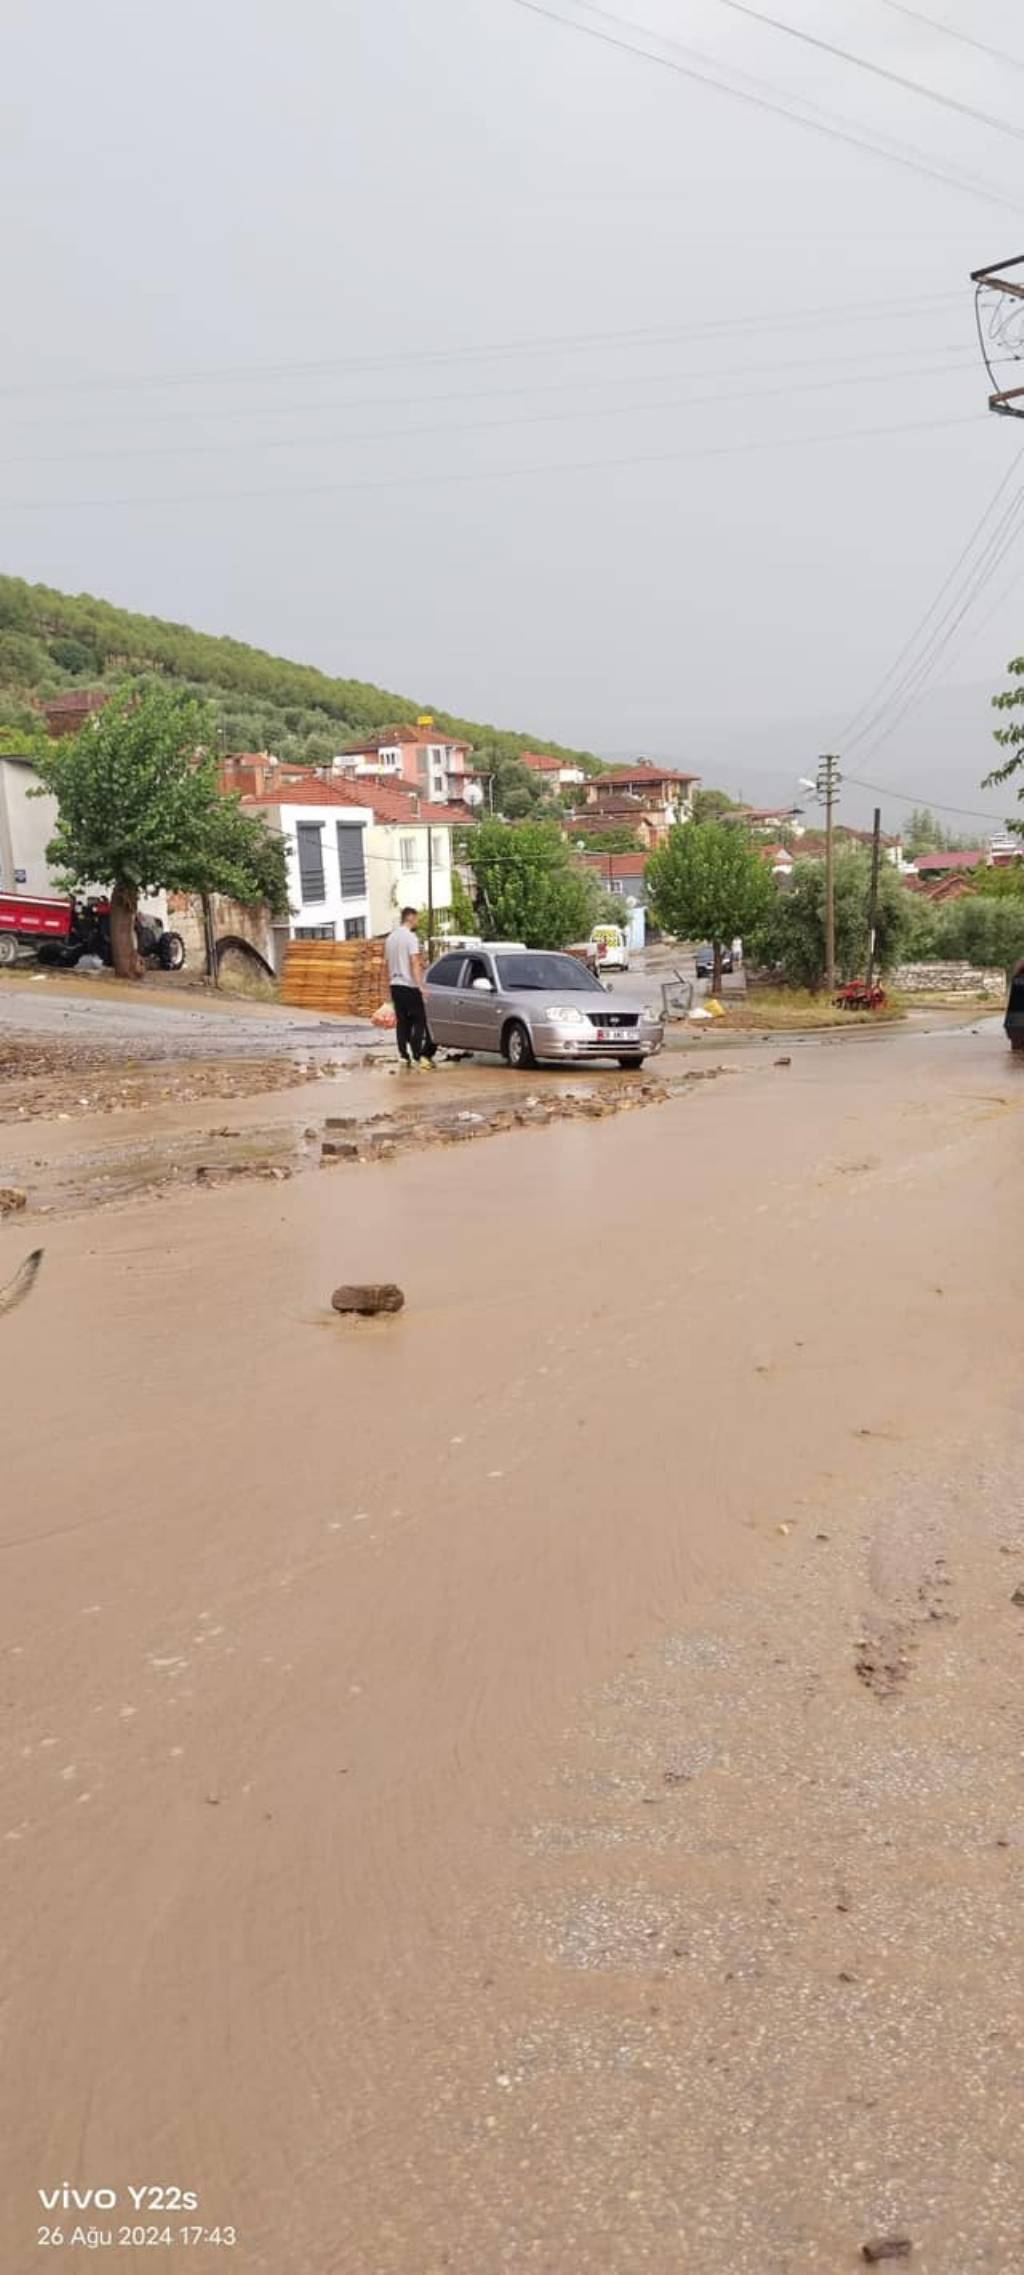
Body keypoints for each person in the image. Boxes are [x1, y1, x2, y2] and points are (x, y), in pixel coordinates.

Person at [385, 908, 437, 1070]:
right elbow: (414, 961)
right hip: (409, 985)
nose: (418, 922)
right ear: (410, 918)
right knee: (419, 1019)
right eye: (417, 919)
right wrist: (421, 985)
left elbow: (386, 963)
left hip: (395, 984)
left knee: (402, 1021)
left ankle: (403, 1055)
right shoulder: (411, 938)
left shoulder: (390, 938)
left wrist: (387, 987)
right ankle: (417, 1054)